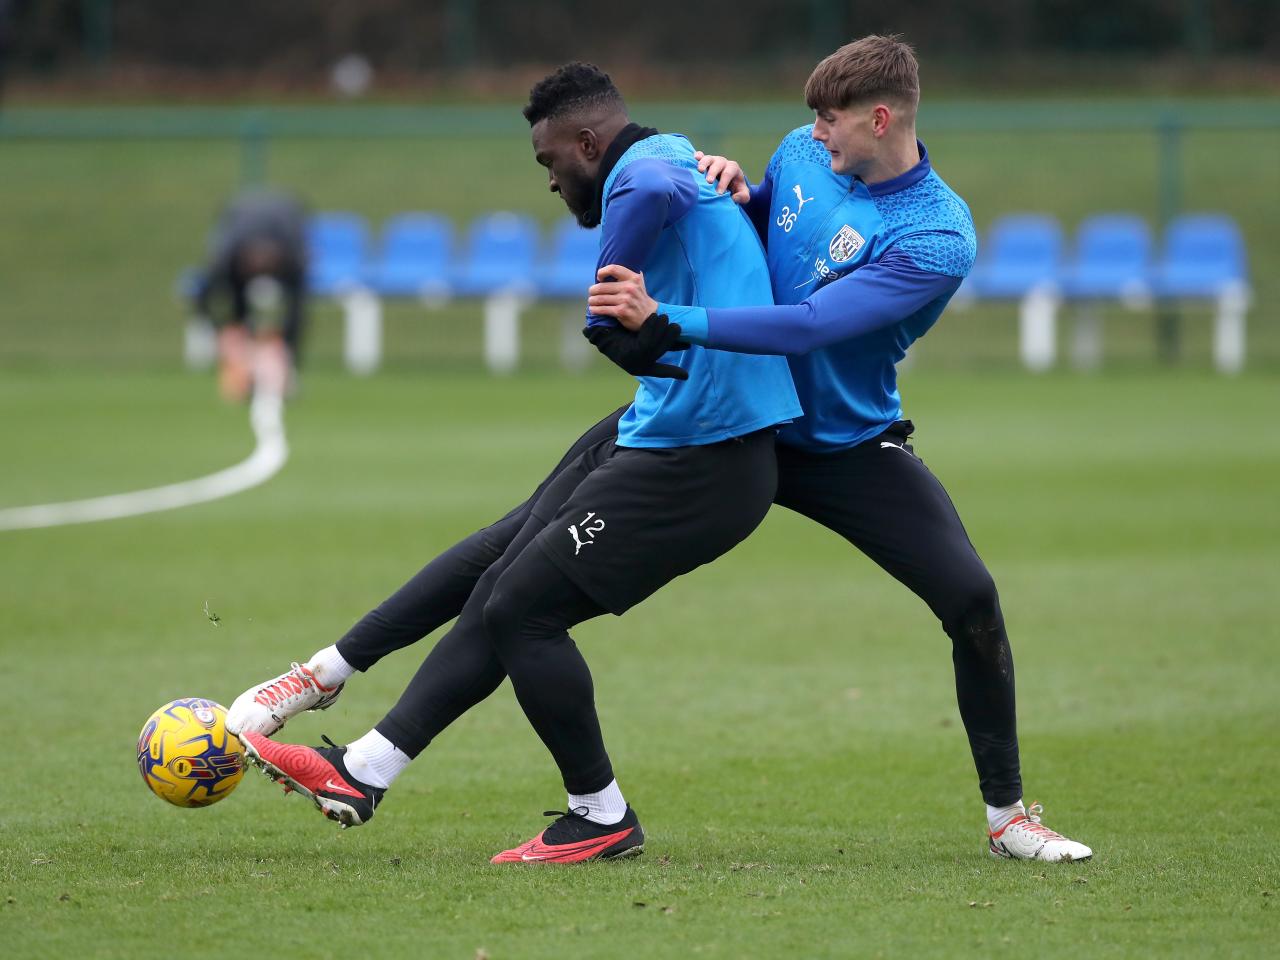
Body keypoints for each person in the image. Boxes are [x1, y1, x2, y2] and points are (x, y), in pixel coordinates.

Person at [230, 62, 802, 864]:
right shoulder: (668, 152)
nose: (551, 180)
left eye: (550, 161)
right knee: (501, 559)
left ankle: (600, 815)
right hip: (662, 429)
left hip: (709, 462)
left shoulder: (642, 171)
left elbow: (649, 194)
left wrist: (611, 289)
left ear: (588, 142)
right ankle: (348, 734)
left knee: (520, 609)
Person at [585, 35, 1091, 862]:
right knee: (526, 568)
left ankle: (1008, 819)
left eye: (830, 118)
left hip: (841, 446)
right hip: (728, 421)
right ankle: (378, 747)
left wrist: (665, 319)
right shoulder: (799, 151)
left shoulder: (938, 235)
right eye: (814, 117)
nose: (815, 131)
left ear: (880, 118)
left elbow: (813, 325)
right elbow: (756, 244)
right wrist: (734, 195)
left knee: (971, 598)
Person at [192, 187, 308, 403]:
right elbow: (203, 299)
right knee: (237, 314)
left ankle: (281, 370)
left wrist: (287, 353)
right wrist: (222, 332)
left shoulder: (296, 257)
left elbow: (297, 310)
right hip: (238, 229)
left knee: (294, 314)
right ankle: (243, 367)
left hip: (286, 219)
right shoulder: (225, 259)